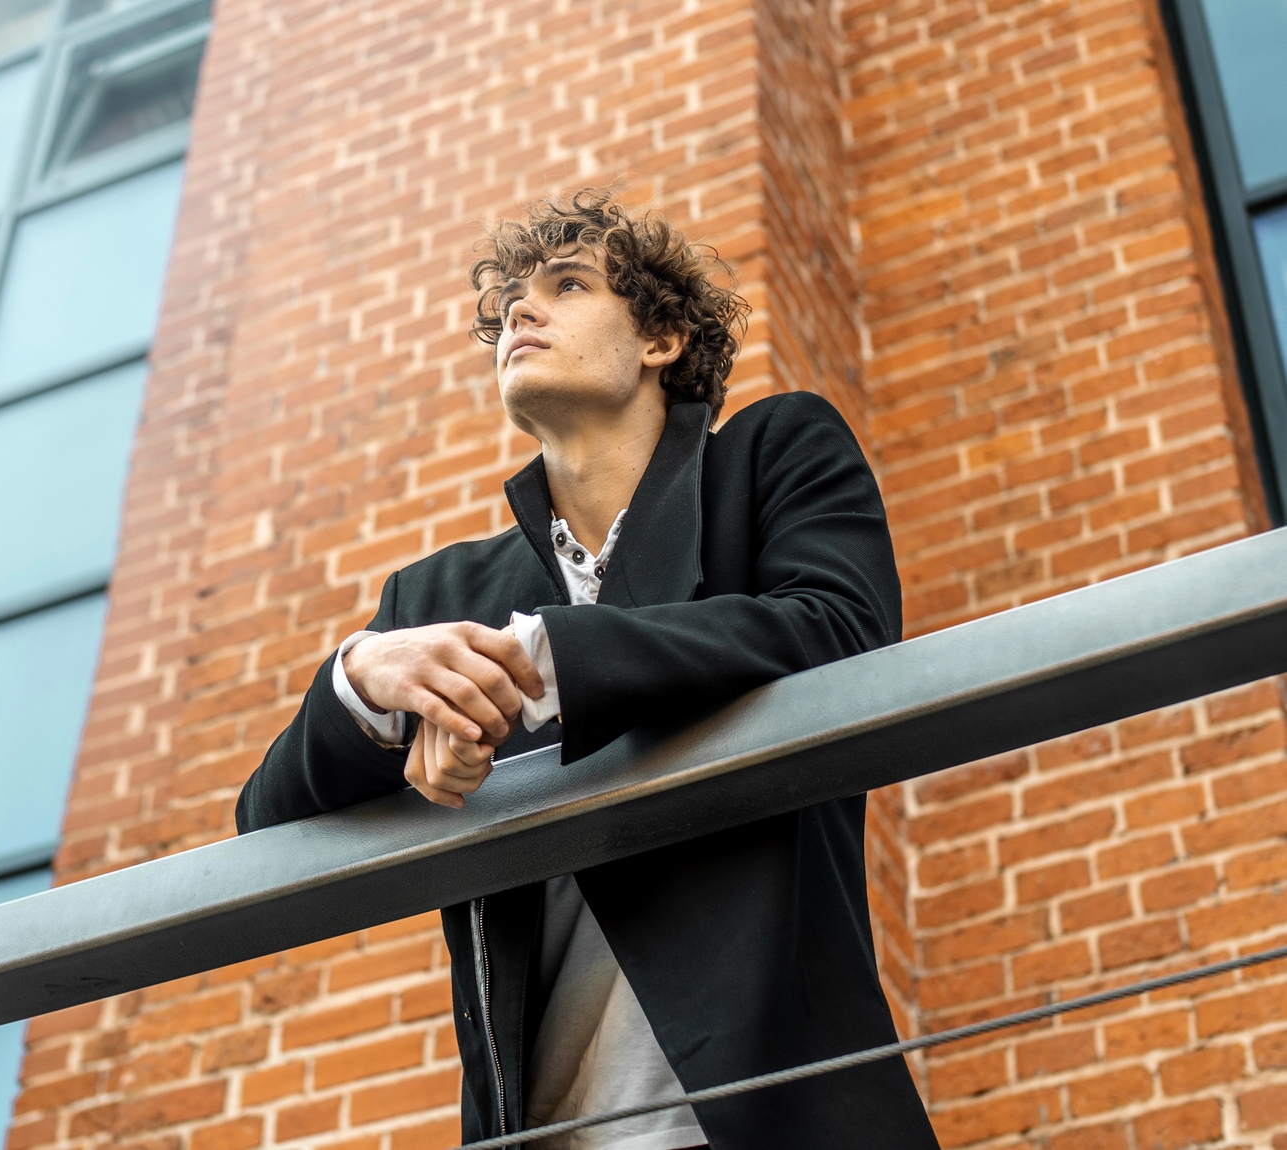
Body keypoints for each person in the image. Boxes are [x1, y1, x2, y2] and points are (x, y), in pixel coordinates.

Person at [235, 189, 941, 1150]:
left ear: (658, 338)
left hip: (765, 1117)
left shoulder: (771, 458)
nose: (521, 314)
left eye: (566, 287)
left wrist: (546, 662)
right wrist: (362, 677)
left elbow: (839, 630)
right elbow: (265, 832)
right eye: (509, 305)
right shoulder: (438, 594)